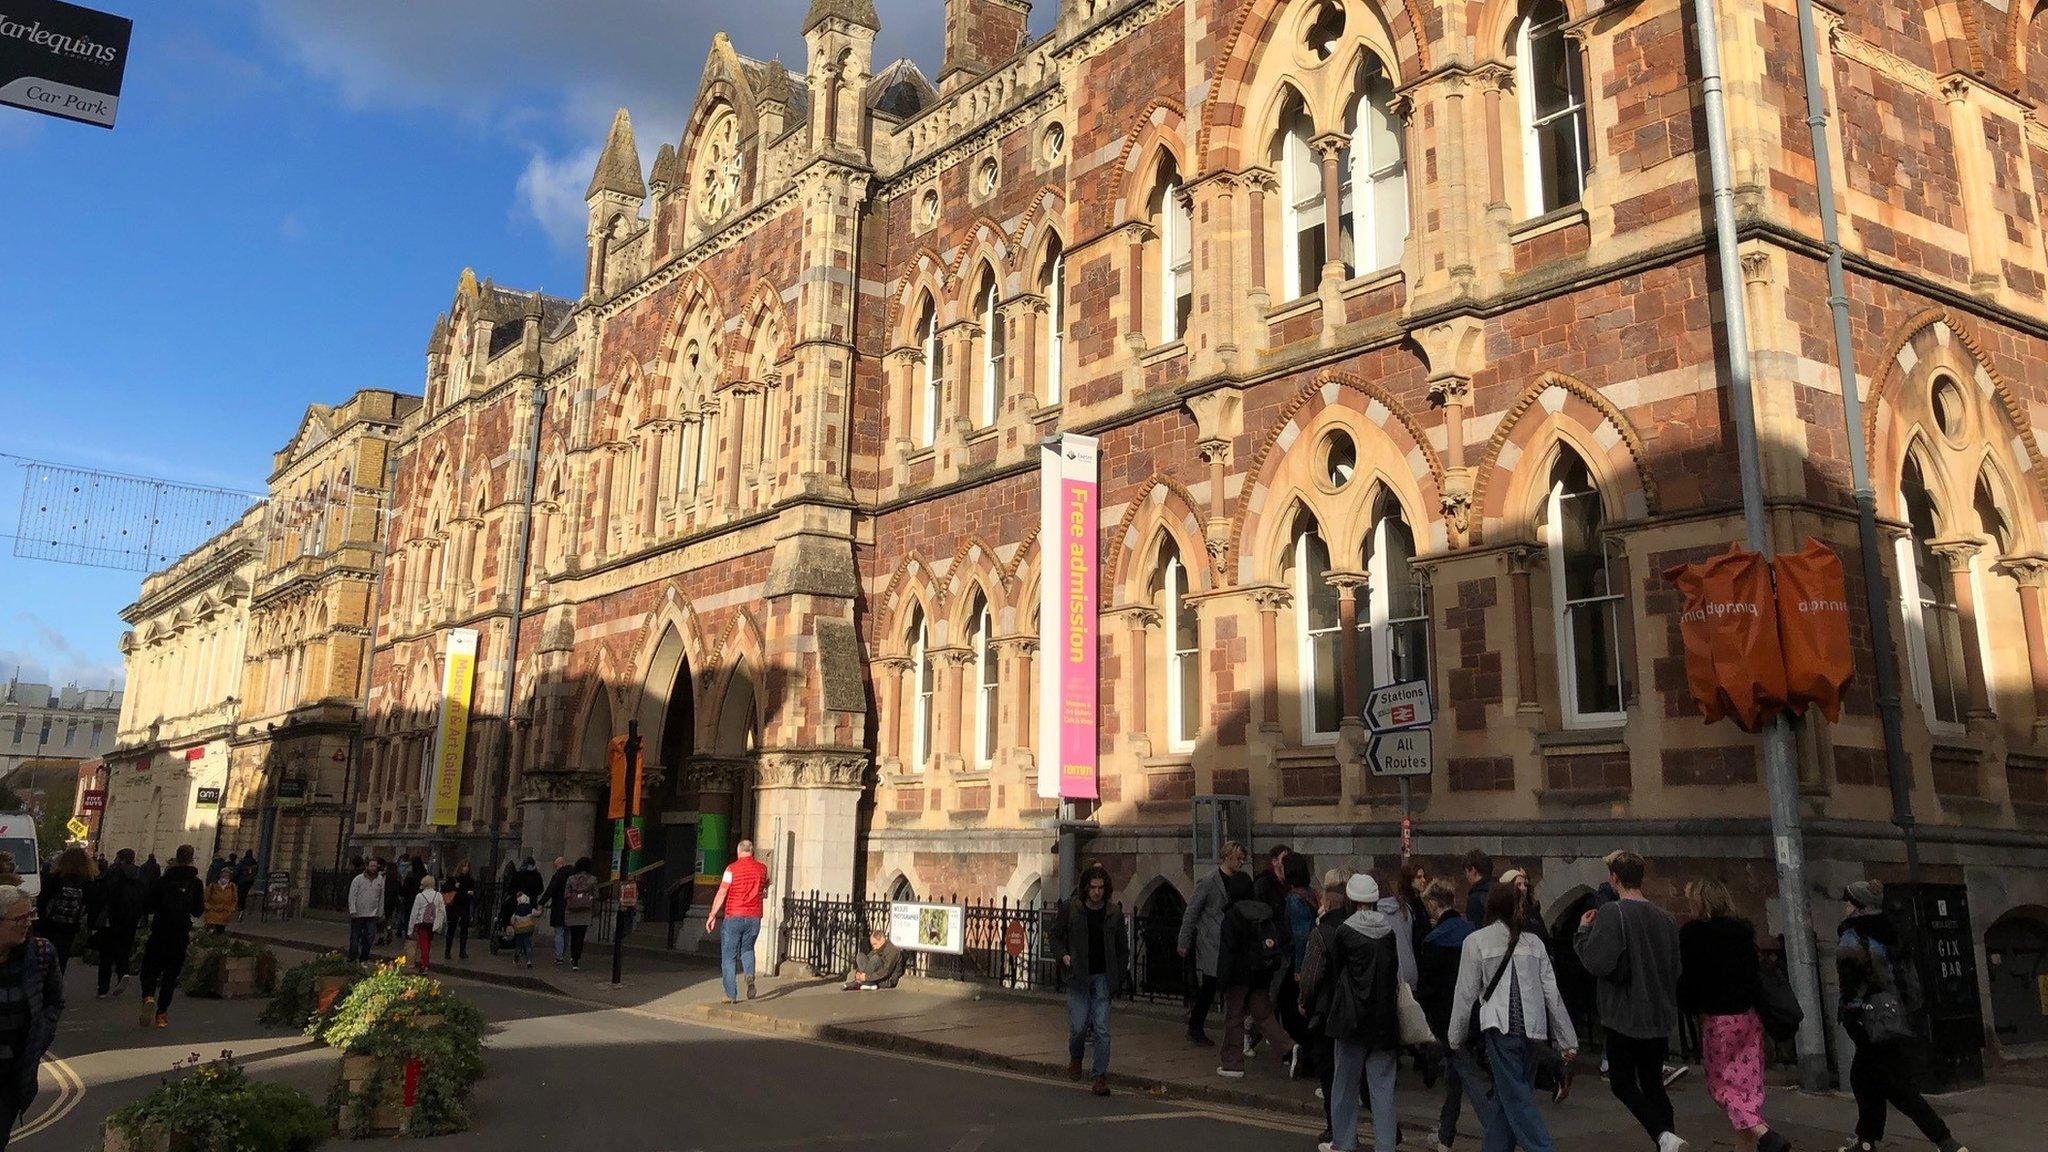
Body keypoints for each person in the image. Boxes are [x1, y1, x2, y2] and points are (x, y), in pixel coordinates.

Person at [1836, 880, 1969, 1152]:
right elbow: (1911, 979)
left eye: (1847, 900)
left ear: (1858, 905)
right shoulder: (1892, 931)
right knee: (1866, 1077)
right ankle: (1866, 1140)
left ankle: (1944, 1140)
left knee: (1896, 1087)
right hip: (1896, 1017)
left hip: (1869, 1019)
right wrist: (1908, 1009)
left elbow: (1851, 982)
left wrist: (1851, 1015)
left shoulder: (1853, 936)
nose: (1844, 905)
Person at [1450, 881, 1578, 1152]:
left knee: (1517, 1101)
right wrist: (1568, 1042)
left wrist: (1455, 1036)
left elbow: (1465, 995)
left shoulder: (1476, 941)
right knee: (1507, 1099)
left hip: (1500, 1029)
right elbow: (1551, 995)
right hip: (1533, 1031)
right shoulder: (1534, 943)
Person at [1575, 849, 1688, 1152]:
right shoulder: (1665, 918)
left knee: (1621, 1081)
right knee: (1653, 1084)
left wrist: (1583, 933)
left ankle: (1663, 1136)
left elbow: (1597, 962)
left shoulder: (1614, 912)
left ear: (1614, 878)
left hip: (1625, 1014)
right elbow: (1675, 969)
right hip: (1657, 1014)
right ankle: (1667, 1140)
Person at [1677, 879, 1787, 1152]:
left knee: (1721, 1086)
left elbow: (1691, 981)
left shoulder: (1693, 935)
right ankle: (1748, 1144)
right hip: (1748, 1018)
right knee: (1748, 1087)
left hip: (1718, 1020)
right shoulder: (1742, 932)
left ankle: (1765, 1134)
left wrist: (1687, 1003)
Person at [1300, 872, 1401, 1152]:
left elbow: (1336, 974)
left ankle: (1343, 1142)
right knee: (1383, 1089)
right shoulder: (1388, 932)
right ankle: (1386, 1146)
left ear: (1351, 901)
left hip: (1351, 1019)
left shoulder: (1344, 932)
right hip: (1384, 1020)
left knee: (1344, 1084)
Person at [1417, 878, 1496, 1152]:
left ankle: (1496, 1135)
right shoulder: (1471, 933)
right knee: (1456, 1077)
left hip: (1448, 1020)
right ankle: (1444, 1136)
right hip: (1476, 1013)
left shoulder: (1433, 941)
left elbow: (1427, 990)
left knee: (1470, 1076)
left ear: (1434, 904)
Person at [1215, 855, 1295, 1078]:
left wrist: (1221, 981)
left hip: (1239, 976)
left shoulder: (1232, 915)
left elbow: (1228, 951)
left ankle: (1232, 1063)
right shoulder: (1262, 911)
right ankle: (1290, 1048)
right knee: (1264, 1015)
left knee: (1234, 1018)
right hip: (1262, 972)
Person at [1048, 863, 1124, 1098]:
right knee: (1079, 1027)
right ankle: (1076, 1056)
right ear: (1085, 888)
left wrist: (1119, 975)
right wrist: (1063, 955)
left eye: (1101, 887)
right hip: (1078, 976)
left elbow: (1122, 948)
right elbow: (1055, 935)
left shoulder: (1113, 913)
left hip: (1103, 977)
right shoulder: (1072, 909)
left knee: (1101, 1029)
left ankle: (1099, 1076)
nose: (1097, 892)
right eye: (1093, 887)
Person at [0, 885, 63, 1150]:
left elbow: (53, 1001)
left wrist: (41, 1037)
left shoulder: (41, 953)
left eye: (30, 916)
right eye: (19, 919)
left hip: (12, 1072)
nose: (27, 924)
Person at [1177, 840, 1252, 1046]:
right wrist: (1183, 941)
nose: (1241, 862)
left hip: (1232, 939)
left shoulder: (1240, 880)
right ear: (1227, 857)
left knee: (1228, 986)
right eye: (1238, 859)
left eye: (1242, 859)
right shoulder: (1210, 881)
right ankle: (1195, 1026)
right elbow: (1192, 911)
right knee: (1210, 984)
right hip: (1212, 940)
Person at [139, 844, 204, 1029]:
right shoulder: (196, 883)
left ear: (175, 857)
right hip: (180, 933)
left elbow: (149, 904)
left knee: (150, 967)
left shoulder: (163, 880)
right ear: (191, 858)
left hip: (160, 930)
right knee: (170, 975)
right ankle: (161, 1014)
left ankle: (148, 995)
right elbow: (198, 910)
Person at [706, 840, 770, 998]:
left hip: (734, 915)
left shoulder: (731, 869)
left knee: (729, 956)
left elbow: (722, 892)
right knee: (748, 949)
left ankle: (731, 995)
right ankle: (749, 976)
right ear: (752, 852)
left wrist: (712, 914)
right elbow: (766, 885)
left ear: (738, 852)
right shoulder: (763, 869)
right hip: (754, 917)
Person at [89, 848, 148, 998]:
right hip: (131, 919)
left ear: (120, 858)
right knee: (124, 949)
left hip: (112, 918)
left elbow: (103, 893)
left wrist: (94, 916)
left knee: (106, 953)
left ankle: (103, 988)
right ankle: (123, 973)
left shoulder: (113, 871)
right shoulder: (140, 873)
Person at [1278, 852, 1320, 1048]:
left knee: (1289, 1004)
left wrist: (1298, 968)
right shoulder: (1310, 893)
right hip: (1311, 954)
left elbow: (1300, 934)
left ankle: (1302, 1047)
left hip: (1300, 957)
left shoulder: (1295, 898)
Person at [33, 847, 91, 972]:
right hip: (70, 927)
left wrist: (41, 920)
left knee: (44, 957)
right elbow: (88, 904)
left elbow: (42, 901)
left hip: (50, 925)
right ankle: (57, 984)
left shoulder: (54, 877)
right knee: (62, 958)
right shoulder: (87, 880)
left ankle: (42, 984)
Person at [562, 858, 598, 971]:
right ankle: (577, 957)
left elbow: (566, 894)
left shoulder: (571, 879)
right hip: (585, 911)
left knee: (574, 936)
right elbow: (596, 895)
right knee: (581, 936)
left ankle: (574, 958)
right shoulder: (592, 879)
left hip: (572, 910)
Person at [842, 926, 906, 990]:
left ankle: (864, 982)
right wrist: (858, 973)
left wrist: (867, 977)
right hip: (873, 977)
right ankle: (864, 982)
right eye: (873, 945)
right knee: (860, 956)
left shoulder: (893, 950)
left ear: (882, 940)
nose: (874, 947)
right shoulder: (877, 949)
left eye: (875, 944)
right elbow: (868, 959)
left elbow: (886, 970)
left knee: (876, 958)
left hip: (887, 980)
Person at [346, 857, 384, 963]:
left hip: (372, 914)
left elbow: (381, 897)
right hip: (358, 913)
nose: (373, 868)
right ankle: (352, 957)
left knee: (370, 936)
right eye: (371, 866)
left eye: (375, 866)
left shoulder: (380, 880)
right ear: (367, 866)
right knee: (355, 937)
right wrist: (352, 910)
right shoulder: (358, 879)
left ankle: (364, 958)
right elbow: (352, 895)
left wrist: (380, 912)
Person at [409, 875, 446, 970]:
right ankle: (424, 961)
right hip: (433, 923)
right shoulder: (438, 895)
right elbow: (442, 910)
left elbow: (414, 913)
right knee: (428, 943)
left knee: (423, 944)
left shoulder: (420, 896)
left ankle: (424, 963)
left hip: (422, 923)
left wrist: (410, 929)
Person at [442, 861, 476, 961]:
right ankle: (447, 951)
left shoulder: (471, 880)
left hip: (465, 906)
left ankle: (462, 950)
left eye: (467, 867)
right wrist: (455, 887)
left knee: (464, 930)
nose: (466, 868)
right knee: (451, 929)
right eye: (464, 866)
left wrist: (470, 894)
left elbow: (473, 893)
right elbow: (445, 888)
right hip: (454, 906)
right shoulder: (454, 879)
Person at [543, 855, 572, 964]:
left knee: (559, 931)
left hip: (559, 907)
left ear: (560, 865)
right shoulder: (573, 875)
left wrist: (541, 902)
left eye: (556, 865)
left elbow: (550, 890)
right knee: (566, 932)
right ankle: (564, 953)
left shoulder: (558, 876)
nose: (556, 868)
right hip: (570, 907)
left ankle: (559, 956)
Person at [1462, 849, 1494, 928]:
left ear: (1473, 870)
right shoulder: (1503, 892)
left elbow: (1474, 931)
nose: (1467, 876)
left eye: (1466, 872)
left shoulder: (1475, 899)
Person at [202, 870, 238, 934]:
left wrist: (230, 909)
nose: (225, 878)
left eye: (227, 877)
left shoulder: (232, 887)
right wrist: (209, 907)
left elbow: (234, 900)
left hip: (224, 915)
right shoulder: (212, 886)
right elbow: (204, 899)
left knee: (220, 932)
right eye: (223, 876)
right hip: (212, 914)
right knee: (210, 934)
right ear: (220, 876)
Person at [507, 893, 538, 968]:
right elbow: (537, 913)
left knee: (518, 946)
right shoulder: (531, 909)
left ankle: (516, 956)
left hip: (519, 931)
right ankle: (529, 962)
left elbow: (512, 920)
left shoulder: (516, 910)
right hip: (528, 930)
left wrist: (513, 925)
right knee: (528, 946)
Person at [233, 851, 258, 921]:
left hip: (241, 882)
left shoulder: (242, 862)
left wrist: (233, 879)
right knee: (244, 895)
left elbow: (237, 871)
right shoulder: (254, 863)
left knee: (240, 895)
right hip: (249, 882)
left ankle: (241, 909)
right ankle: (242, 909)